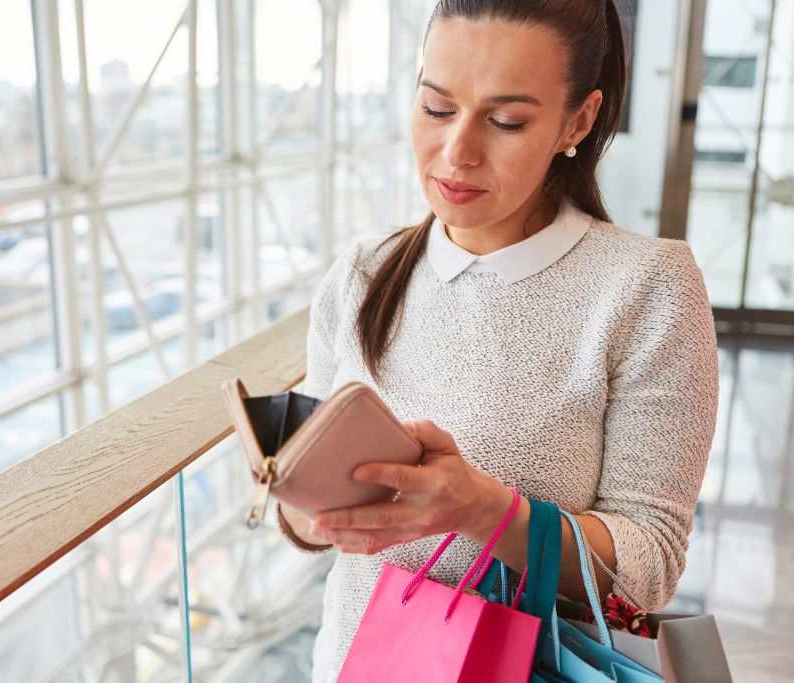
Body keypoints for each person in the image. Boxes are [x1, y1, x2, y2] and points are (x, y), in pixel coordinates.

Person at [274, 1, 720, 680]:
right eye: (435, 107)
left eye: (507, 120)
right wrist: (311, 498)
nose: (457, 152)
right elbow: (309, 524)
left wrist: (484, 511)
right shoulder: (362, 273)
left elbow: (649, 565)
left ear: (579, 119)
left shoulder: (647, 287)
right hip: (353, 663)